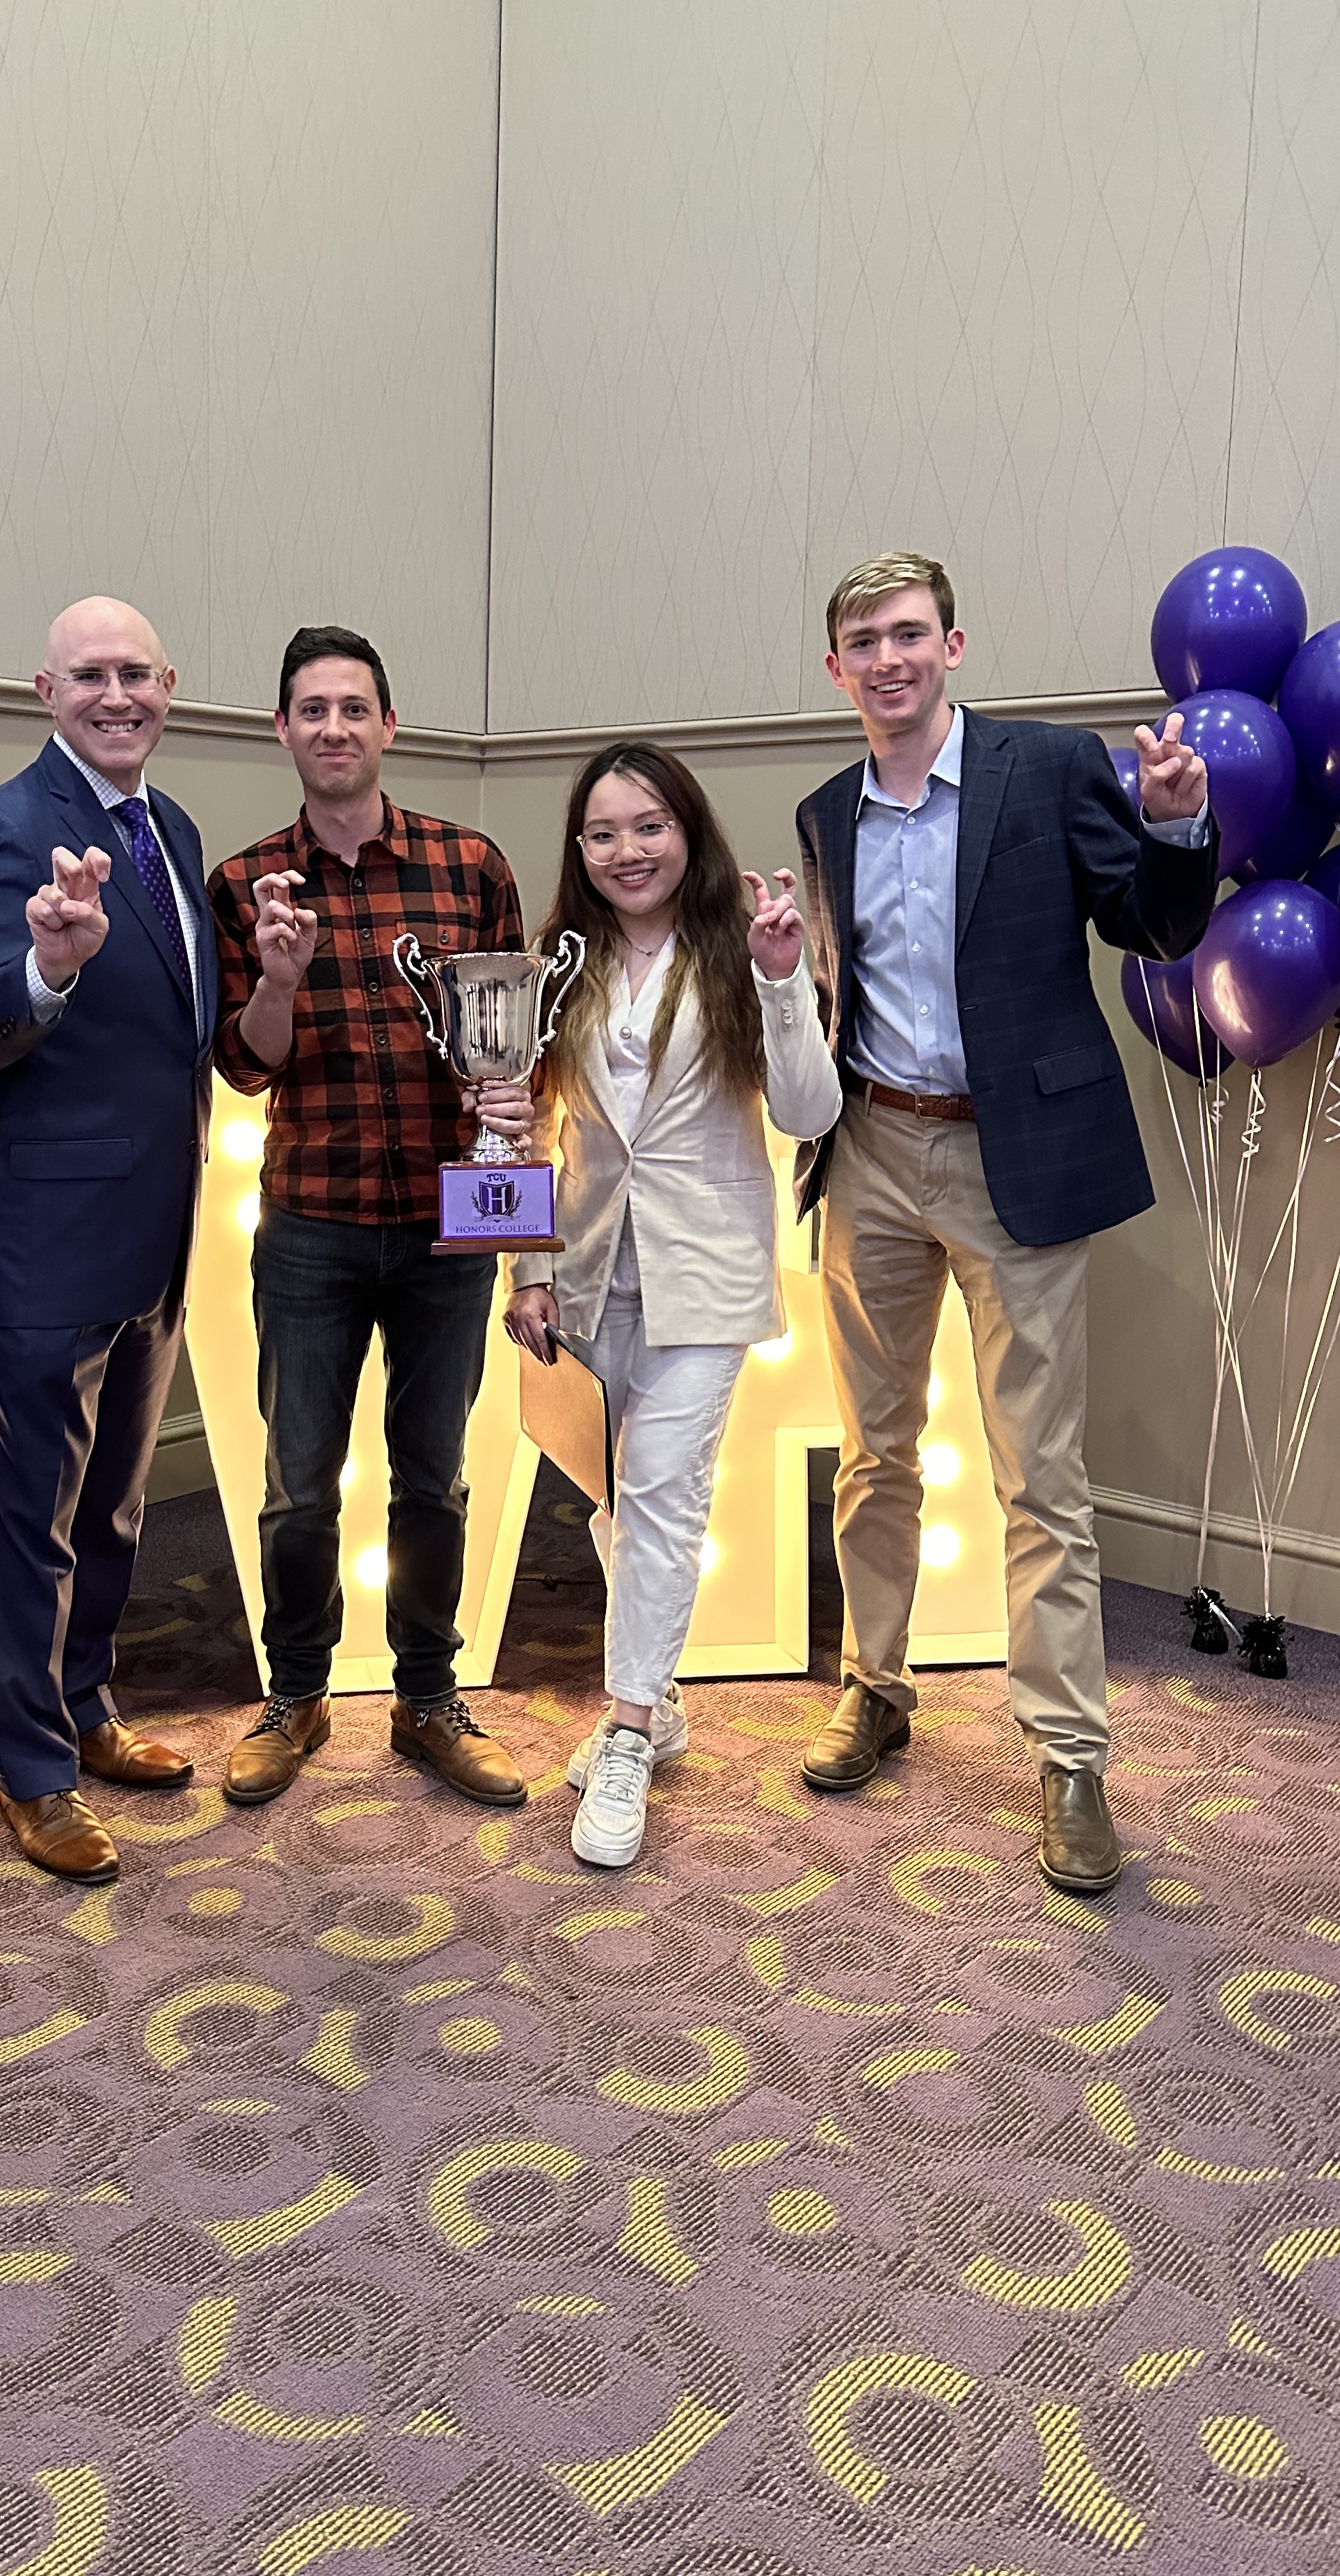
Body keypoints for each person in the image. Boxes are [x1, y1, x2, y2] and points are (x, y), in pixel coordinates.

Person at [792, 552, 1215, 1893]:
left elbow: (1151, 927)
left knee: (1042, 1473)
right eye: (864, 639)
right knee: (874, 1451)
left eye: (910, 633)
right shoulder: (824, 813)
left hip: (1012, 1159)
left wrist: (1174, 828)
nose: (889, 658)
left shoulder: (1045, 770)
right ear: (836, 667)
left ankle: (1072, 1758)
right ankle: (878, 1684)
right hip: (871, 1148)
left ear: (954, 644)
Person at [207, 625, 534, 1808]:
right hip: (312, 1226)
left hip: (450, 1221)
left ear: (389, 727)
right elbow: (246, 1069)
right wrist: (281, 982)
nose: (334, 728)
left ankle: (428, 1698)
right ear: (282, 730)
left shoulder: (468, 864)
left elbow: (511, 1044)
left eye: (355, 708)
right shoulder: (248, 885)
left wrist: (506, 1098)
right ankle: (294, 1696)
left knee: (434, 1478)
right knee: (300, 1479)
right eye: (312, 710)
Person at [504, 745, 843, 1866]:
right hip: (593, 1265)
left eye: (647, 827)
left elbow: (806, 1107)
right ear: (580, 850)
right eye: (602, 834)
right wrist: (528, 1269)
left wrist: (787, 980)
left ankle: (631, 1729)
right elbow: (533, 1134)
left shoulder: (741, 950)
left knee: (662, 1494)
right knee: (610, 1493)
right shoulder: (561, 964)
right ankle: (663, 1694)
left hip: (706, 1270)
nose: (626, 852)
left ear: (687, 831)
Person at [0, 598, 214, 1885]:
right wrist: (44, 971)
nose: (118, 695)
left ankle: (88, 1709)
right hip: (41, 1235)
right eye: (89, 676)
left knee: (113, 1507)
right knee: (29, 1518)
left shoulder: (172, 828)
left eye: (137, 674)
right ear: (45, 691)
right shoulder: (1, 827)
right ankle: (32, 1772)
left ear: (169, 687)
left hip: (155, 1235)